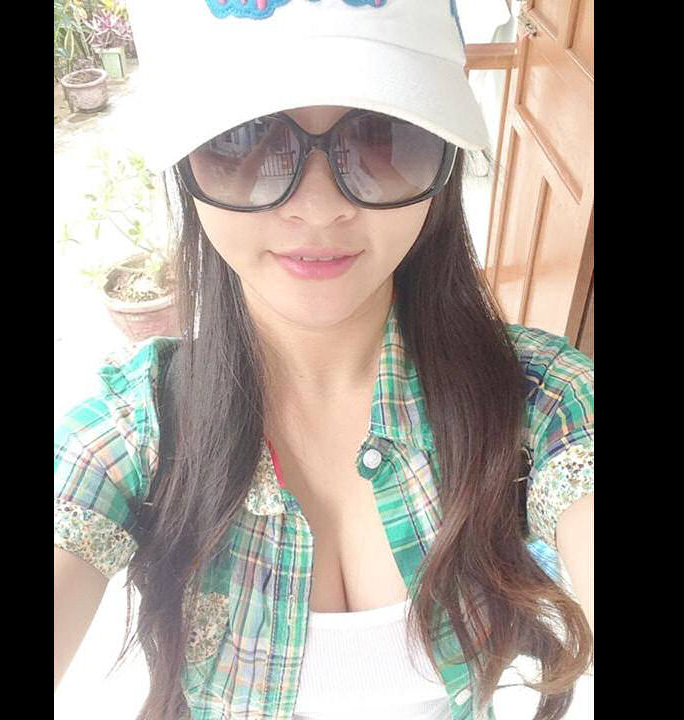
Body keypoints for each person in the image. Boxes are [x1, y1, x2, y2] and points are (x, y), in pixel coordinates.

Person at [54, 2, 594, 720]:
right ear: (184, 164)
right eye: (246, 136)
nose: (317, 209)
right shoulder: (134, 430)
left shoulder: (538, 397)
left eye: (383, 132)